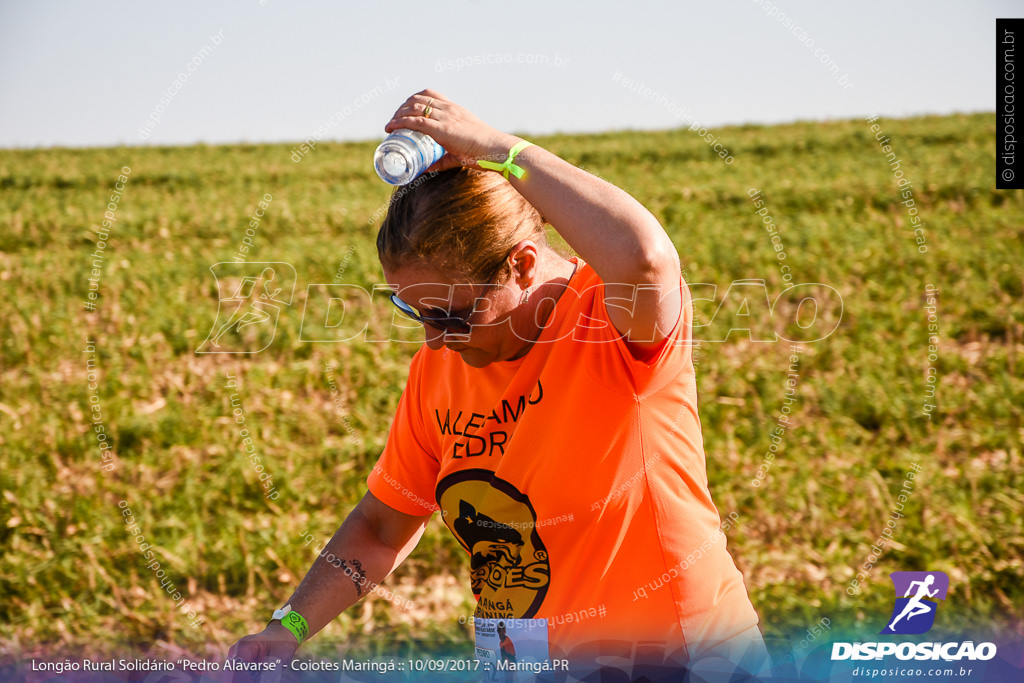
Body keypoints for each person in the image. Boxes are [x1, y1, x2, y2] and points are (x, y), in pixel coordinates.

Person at [229, 89, 769, 679]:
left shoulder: (610, 324)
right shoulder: (439, 369)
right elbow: (383, 527)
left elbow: (646, 258)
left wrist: (498, 149)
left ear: (524, 264)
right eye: (417, 313)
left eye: (454, 315)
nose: (436, 338)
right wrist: (287, 629)